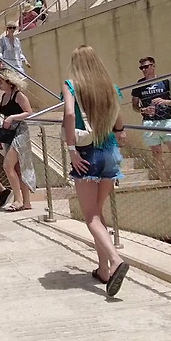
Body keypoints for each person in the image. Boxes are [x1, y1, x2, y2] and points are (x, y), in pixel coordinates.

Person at [64, 45, 130, 297]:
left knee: (90, 217)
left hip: (87, 153)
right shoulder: (109, 87)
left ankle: (115, 260)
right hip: (110, 152)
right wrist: (120, 131)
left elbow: (69, 114)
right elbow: (119, 121)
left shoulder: (71, 85)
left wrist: (71, 149)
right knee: (98, 213)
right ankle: (103, 269)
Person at [131, 57, 171, 182]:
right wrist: (143, 110)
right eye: (141, 67)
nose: (144, 69)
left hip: (166, 120)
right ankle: (164, 180)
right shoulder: (139, 85)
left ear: (153, 66)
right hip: (149, 122)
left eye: (146, 66)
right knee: (156, 152)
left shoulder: (165, 81)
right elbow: (135, 106)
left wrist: (164, 101)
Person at [0, 68, 36, 212]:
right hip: (8, 133)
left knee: (8, 165)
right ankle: (26, 202)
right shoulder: (4, 96)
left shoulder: (18, 95)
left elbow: (29, 112)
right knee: (18, 168)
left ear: (8, 81)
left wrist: (13, 117)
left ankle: (18, 199)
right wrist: (0, 136)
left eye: (0, 82)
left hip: (20, 132)